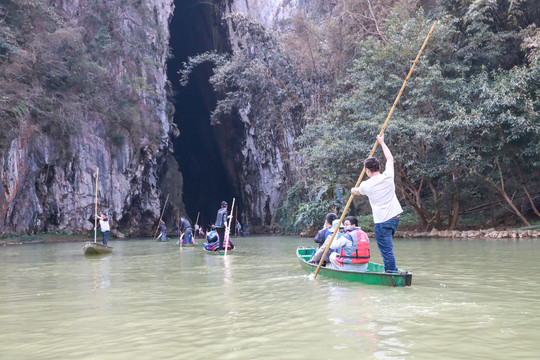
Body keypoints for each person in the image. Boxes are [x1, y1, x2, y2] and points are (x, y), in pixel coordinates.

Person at [351, 133, 402, 273]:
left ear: (367, 170)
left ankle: (391, 272)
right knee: (388, 247)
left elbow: (356, 191)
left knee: (386, 250)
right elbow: (390, 158)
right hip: (395, 219)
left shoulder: (366, 185)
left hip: (382, 222)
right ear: (379, 167)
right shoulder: (388, 176)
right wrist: (382, 142)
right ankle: (392, 269)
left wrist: (352, 189)